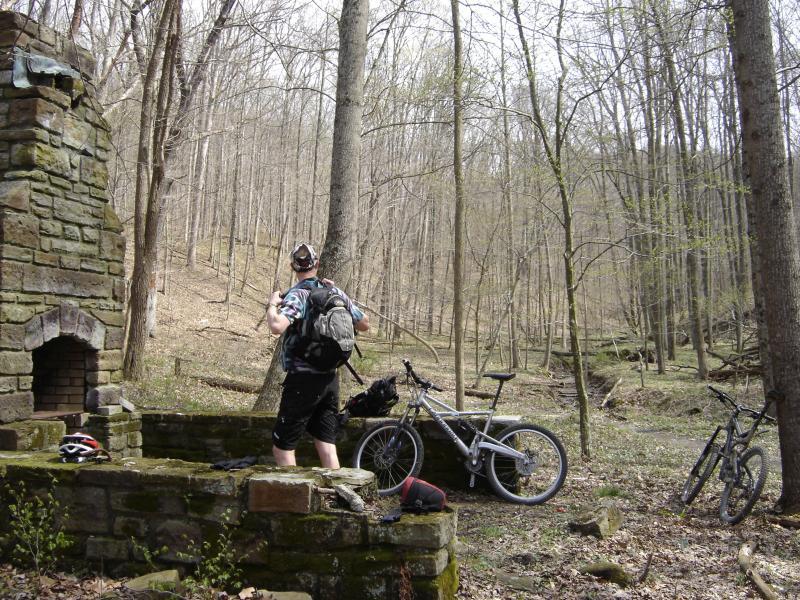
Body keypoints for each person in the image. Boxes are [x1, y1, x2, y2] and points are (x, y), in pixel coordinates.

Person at [266, 242, 369, 469]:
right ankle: (337, 494)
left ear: (293, 266)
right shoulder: (335, 291)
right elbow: (364, 324)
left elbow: (276, 326)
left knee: (283, 447)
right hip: (330, 379)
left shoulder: (298, 295)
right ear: (317, 264)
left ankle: (292, 499)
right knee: (326, 443)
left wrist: (272, 305)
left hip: (302, 381)